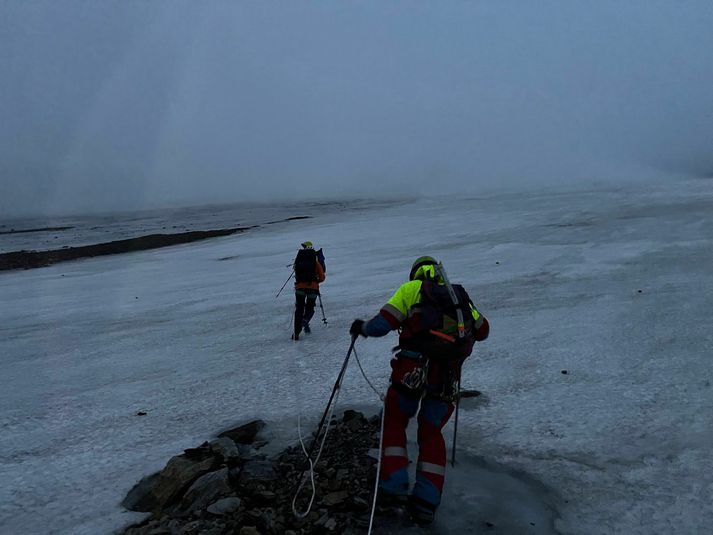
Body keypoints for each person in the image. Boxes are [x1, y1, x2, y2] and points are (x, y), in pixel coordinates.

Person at [349, 256, 489, 524]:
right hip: (447, 377)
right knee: (431, 430)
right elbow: (483, 330)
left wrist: (362, 328)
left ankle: (393, 488)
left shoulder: (411, 289)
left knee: (394, 421)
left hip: (411, 370)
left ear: (416, 273)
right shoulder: (458, 295)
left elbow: (383, 324)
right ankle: (426, 502)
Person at [292, 241, 326, 340]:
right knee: (310, 307)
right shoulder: (315, 261)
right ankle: (305, 320)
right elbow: (322, 277)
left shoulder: (299, 260)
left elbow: (296, 273)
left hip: (299, 288)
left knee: (299, 309)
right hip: (313, 288)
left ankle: (296, 333)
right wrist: (316, 282)